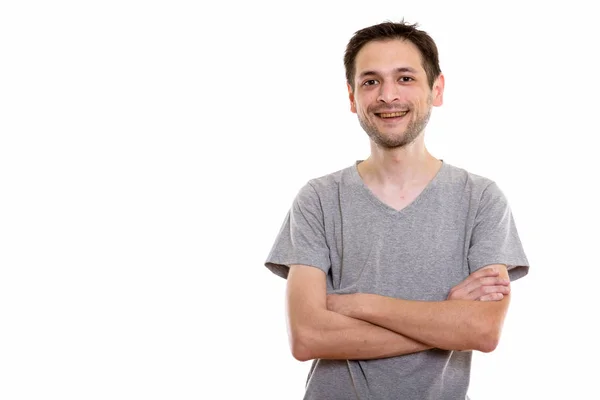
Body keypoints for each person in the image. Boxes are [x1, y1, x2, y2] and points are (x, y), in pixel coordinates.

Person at [264, 20, 529, 400]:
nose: (388, 96)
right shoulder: (318, 199)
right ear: (353, 97)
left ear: (436, 89)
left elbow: (482, 332)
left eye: (405, 78)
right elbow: (307, 337)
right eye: (370, 81)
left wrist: (359, 304)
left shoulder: (481, 198)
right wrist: (444, 319)